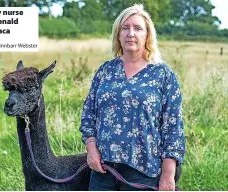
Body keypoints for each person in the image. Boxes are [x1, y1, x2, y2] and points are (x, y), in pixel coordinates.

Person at [79, 4, 185, 191]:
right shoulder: (106, 70)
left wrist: (168, 174)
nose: (131, 33)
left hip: (144, 172)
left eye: (137, 28)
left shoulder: (163, 75)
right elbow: (88, 114)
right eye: (125, 28)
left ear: (147, 35)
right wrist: (91, 148)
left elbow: (173, 127)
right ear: (118, 35)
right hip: (103, 169)